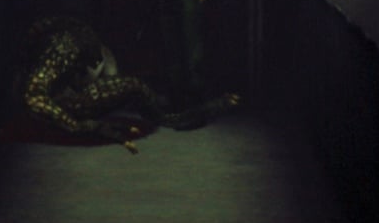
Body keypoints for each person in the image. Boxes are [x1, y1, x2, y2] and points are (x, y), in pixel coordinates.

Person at [15, 16, 239, 152]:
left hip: (65, 79)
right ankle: (175, 114)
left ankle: (178, 113)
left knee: (136, 88)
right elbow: (33, 97)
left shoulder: (75, 38)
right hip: (58, 97)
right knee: (135, 87)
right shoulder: (65, 47)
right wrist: (80, 126)